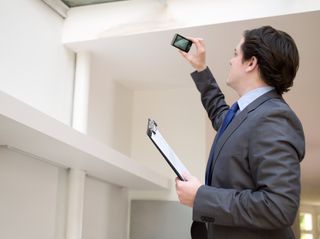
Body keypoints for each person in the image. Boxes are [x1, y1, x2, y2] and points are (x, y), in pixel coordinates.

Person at [175, 26, 305, 239]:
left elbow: (279, 207)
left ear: (251, 63)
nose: (230, 60)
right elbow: (221, 115)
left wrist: (201, 197)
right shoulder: (249, 114)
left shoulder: (274, 117)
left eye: (235, 54)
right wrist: (201, 68)